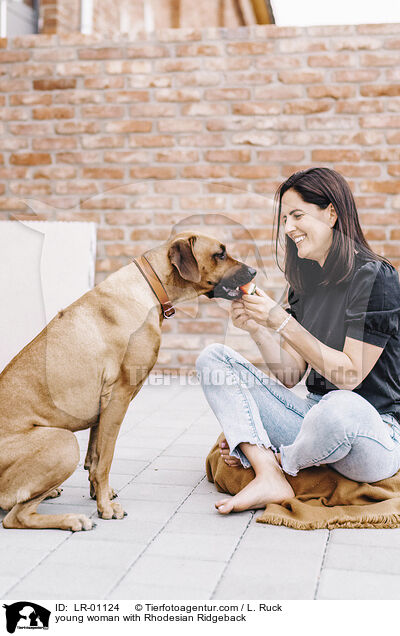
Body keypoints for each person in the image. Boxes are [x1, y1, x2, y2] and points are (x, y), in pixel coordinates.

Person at [195, 167, 400, 515]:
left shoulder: (376, 279)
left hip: (373, 432)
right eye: (285, 217)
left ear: (331, 213)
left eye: (297, 215)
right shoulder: (305, 285)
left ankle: (278, 462)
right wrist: (258, 327)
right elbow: (291, 375)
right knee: (213, 358)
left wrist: (280, 320)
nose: (288, 228)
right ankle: (268, 471)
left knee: (340, 405)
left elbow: (349, 377)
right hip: (312, 419)